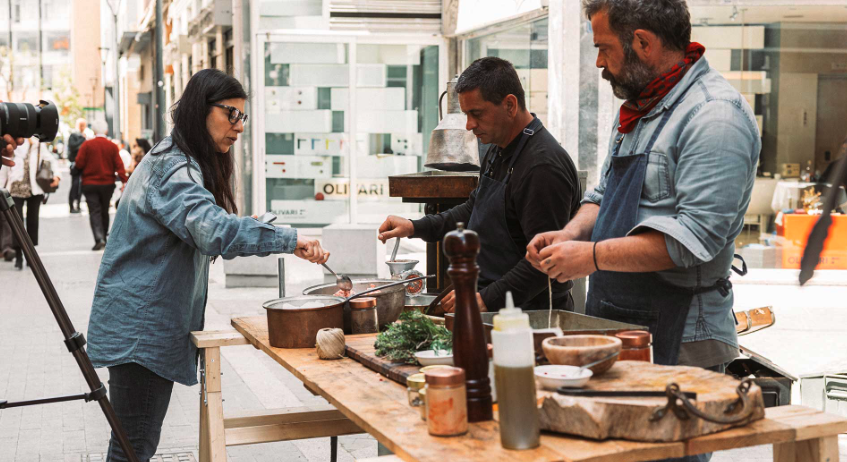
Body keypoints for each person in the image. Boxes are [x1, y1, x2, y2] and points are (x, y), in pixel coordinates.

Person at [527, 2, 759, 459]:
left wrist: (591, 257)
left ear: (643, 43)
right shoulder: (640, 108)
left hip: (681, 335)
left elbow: (694, 237)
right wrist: (571, 234)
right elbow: (604, 193)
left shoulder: (715, 117)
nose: (599, 62)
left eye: (604, 48)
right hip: (620, 324)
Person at [85, 69, 331, 462]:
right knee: (133, 447)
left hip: (141, 327)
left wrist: (257, 232)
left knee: (133, 444)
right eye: (231, 114)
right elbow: (213, 231)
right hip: (140, 332)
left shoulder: (181, 161)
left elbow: (208, 228)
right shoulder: (173, 167)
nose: (239, 127)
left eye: (242, 116)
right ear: (201, 109)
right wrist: (286, 239)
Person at [378, 57, 581, 313]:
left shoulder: (542, 167)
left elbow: (545, 260)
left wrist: (486, 299)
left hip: (530, 316)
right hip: (492, 306)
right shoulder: (498, 147)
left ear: (510, 105)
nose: (469, 125)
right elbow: (474, 209)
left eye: (476, 114)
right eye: (466, 114)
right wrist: (414, 227)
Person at [0, 138, 61, 269]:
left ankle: (30, 256)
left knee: (33, 222)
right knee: (16, 223)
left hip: (34, 189)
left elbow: (51, 160)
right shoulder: (13, 143)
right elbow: (4, 168)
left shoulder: (37, 144)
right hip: (15, 189)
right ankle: (18, 255)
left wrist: (57, 176)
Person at [74, 120, 128, 250]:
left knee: (94, 211)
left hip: (90, 183)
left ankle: (99, 238)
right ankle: (104, 235)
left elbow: (79, 163)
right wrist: (124, 180)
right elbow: (119, 165)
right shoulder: (112, 146)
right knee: (104, 210)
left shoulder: (87, 145)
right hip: (107, 184)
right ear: (106, 130)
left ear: (93, 131)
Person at [67, 119, 90, 213]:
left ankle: (78, 205)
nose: (82, 127)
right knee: (75, 185)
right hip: (75, 164)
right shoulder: (74, 136)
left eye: (84, 125)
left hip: (83, 164)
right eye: (81, 125)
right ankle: (71, 206)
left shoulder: (84, 137)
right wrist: (82, 139)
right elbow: (73, 147)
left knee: (81, 186)